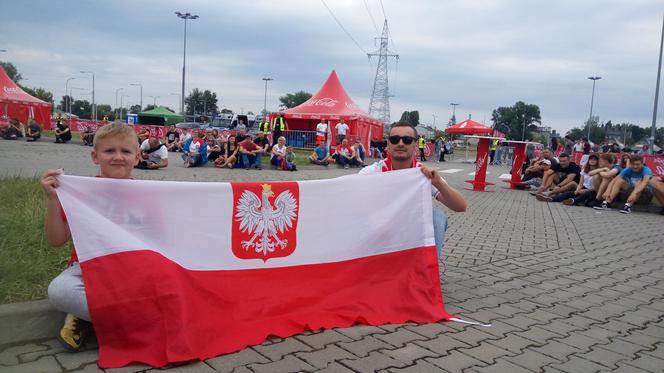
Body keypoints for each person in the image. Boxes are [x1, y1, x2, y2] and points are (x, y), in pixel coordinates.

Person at [42, 122, 140, 351]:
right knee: (59, 291)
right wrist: (53, 199)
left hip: (134, 271)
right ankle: (133, 320)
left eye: (125, 151)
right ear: (95, 156)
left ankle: (87, 317)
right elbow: (57, 240)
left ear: (137, 157)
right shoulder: (79, 193)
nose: (118, 157)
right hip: (87, 268)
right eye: (109, 151)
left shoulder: (148, 195)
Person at [359, 122, 466, 256]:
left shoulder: (424, 174)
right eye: (395, 139)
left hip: (411, 229)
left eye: (407, 140)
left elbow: (460, 206)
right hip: (381, 228)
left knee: (437, 217)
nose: (401, 143)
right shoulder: (371, 172)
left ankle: (428, 271)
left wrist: (438, 182)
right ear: (388, 144)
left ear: (415, 145)